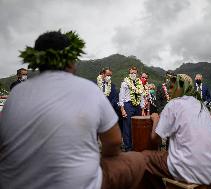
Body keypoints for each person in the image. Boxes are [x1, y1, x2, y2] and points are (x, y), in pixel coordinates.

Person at [0, 30, 145, 189]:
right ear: (71, 61)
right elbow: (114, 142)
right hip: (80, 184)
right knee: (138, 160)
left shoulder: (15, 95)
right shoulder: (89, 89)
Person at [139, 74, 211, 188]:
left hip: (190, 171)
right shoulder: (201, 105)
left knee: (144, 158)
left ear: (181, 88)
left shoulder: (173, 104)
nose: (169, 90)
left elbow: (156, 139)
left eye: (172, 87)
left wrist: (155, 119)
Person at [118, 66, 145, 151]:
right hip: (128, 105)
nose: (133, 74)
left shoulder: (140, 83)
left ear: (137, 74)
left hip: (137, 107)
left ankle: (136, 146)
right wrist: (122, 109)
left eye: (134, 73)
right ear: (129, 74)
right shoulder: (125, 83)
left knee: (137, 126)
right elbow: (121, 97)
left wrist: (143, 109)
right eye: (131, 73)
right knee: (127, 127)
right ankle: (128, 147)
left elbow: (142, 97)